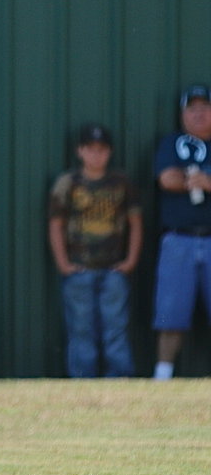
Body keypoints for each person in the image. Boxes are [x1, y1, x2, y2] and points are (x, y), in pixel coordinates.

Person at [48, 122, 142, 378]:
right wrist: (63, 264)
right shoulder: (68, 183)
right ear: (80, 151)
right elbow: (56, 224)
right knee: (81, 329)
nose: (96, 155)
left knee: (116, 327)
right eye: (90, 149)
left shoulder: (121, 182)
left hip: (114, 269)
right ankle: (82, 379)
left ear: (109, 152)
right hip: (79, 269)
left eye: (101, 149)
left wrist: (130, 260)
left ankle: (120, 377)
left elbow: (136, 222)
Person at [152, 83, 211, 380]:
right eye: (192, 108)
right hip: (178, 240)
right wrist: (194, 180)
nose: (198, 114)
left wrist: (207, 182)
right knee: (170, 315)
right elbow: (166, 179)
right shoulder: (171, 143)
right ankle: (162, 378)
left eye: (204, 108)